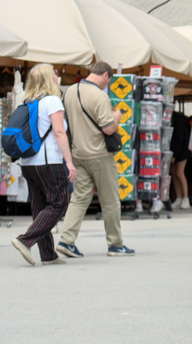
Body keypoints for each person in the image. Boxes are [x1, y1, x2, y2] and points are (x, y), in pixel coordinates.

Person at [57, 61, 133, 258]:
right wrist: (116, 116)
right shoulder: (100, 96)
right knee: (110, 200)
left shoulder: (70, 91)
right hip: (99, 155)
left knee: (79, 199)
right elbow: (109, 128)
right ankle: (115, 244)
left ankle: (66, 240)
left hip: (78, 153)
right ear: (105, 75)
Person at [10, 64, 76, 266]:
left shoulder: (27, 102)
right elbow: (59, 132)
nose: (58, 75)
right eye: (55, 73)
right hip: (49, 161)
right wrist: (69, 161)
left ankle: (48, 254)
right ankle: (25, 240)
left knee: (39, 206)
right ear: (49, 78)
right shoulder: (53, 101)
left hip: (28, 162)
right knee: (59, 203)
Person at [170, 110, 192, 209]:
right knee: (174, 173)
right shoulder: (179, 120)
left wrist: (174, 154)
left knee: (179, 172)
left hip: (182, 150)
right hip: (177, 150)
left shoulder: (178, 121)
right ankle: (179, 198)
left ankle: (185, 198)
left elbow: (179, 138)